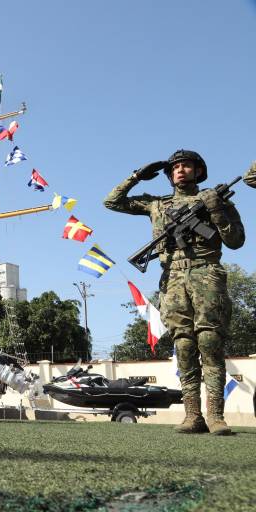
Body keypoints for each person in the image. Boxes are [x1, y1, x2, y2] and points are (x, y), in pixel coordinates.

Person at [104, 149, 245, 435]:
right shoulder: (157, 204)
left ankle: (216, 416)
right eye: (176, 167)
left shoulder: (215, 199)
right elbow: (111, 202)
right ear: (169, 175)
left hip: (207, 271)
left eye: (187, 166)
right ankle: (192, 415)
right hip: (172, 276)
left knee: (209, 340)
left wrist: (215, 208)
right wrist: (136, 177)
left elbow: (236, 241)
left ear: (198, 170)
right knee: (183, 343)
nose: (181, 170)